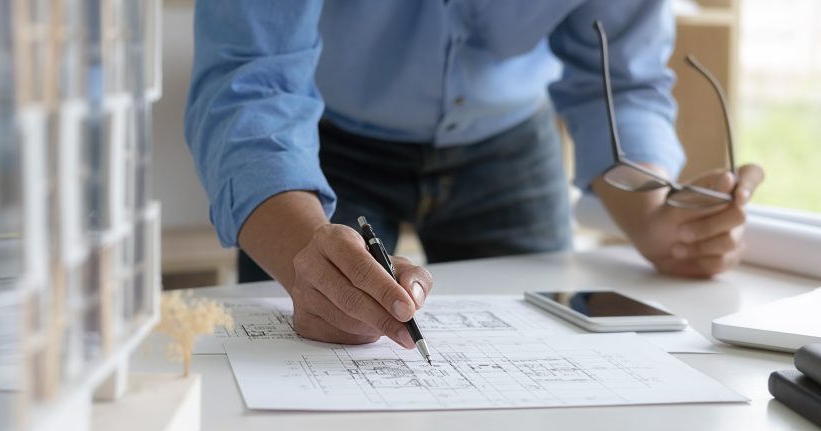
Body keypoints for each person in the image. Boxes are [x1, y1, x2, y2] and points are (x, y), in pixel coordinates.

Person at [185, 0, 765, 351]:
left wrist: (658, 217)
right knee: (325, 318)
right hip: (320, 143)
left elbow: (620, 78)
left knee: (551, 350)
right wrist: (299, 252)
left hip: (510, 140)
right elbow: (248, 77)